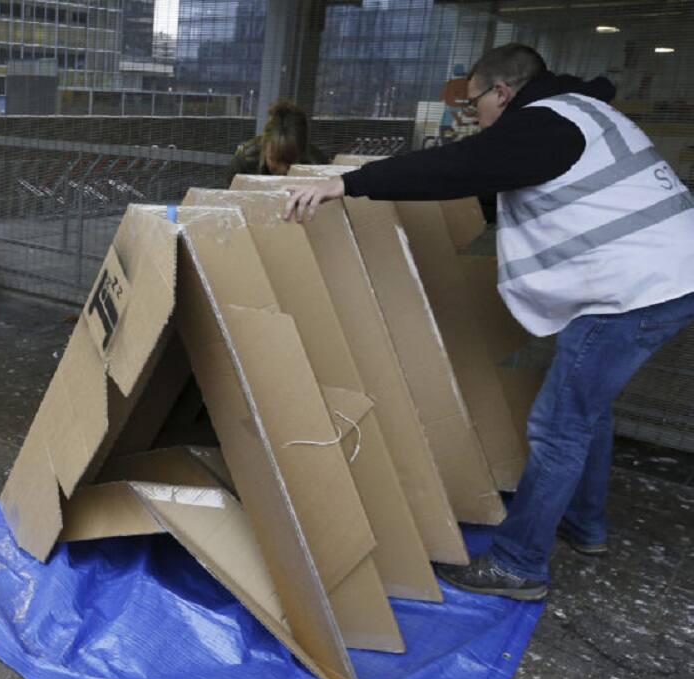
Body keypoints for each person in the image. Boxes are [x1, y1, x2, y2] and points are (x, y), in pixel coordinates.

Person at [284, 43, 694, 601]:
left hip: (637, 288)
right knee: (583, 406)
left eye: (473, 103)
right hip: (662, 276)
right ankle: (585, 523)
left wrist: (348, 183)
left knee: (558, 426)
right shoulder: (581, 111)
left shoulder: (543, 124)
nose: (472, 115)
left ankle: (519, 565)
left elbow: (463, 165)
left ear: (502, 92)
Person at [225, 100, 328, 184]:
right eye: (274, 159)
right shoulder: (244, 161)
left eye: (289, 162)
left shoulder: (318, 165)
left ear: (302, 152)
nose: (282, 170)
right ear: (264, 145)